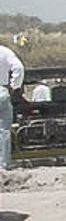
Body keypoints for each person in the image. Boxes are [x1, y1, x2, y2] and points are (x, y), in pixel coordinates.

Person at [0, 41, 24, 170]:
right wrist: (15, 86)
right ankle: (3, 164)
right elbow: (18, 68)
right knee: (4, 130)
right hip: (2, 91)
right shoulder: (4, 51)